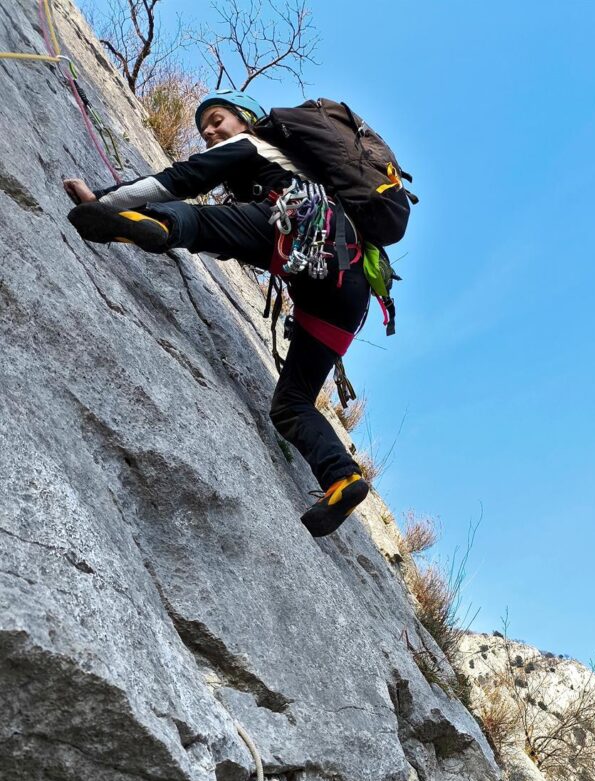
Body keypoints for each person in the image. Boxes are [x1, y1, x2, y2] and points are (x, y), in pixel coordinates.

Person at [64, 90, 371, 539]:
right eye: (204, 127)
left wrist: (105, 202)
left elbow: (180, 178)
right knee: (292, 403)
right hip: (347, 290)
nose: (209, 131)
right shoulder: (295, 168)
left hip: (298, 225)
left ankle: (158, 226)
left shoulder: (251, 145)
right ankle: (343, 479)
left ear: (245, 120)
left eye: (218, 119)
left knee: (200, 221)